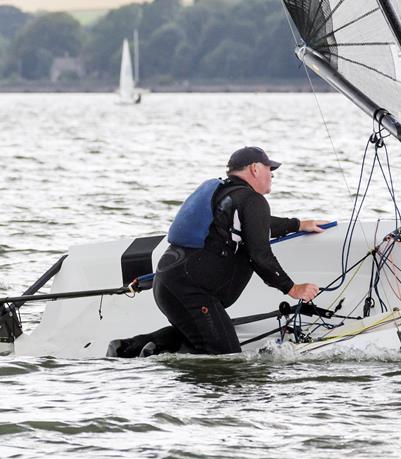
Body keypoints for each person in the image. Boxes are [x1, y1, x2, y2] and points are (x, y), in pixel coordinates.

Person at [108, 146, 325, 357]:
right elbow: (260, 256)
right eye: (270, 169)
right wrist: (292, 288)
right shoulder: (252, 200)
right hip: (192, 292)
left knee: (200, 335)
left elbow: (257, 225)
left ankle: (129, 349)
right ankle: (143, 350)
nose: (272, 175)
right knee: (227, 360)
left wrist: (297, 224)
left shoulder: (225, 195)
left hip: (168, 284)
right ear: (254, 169)